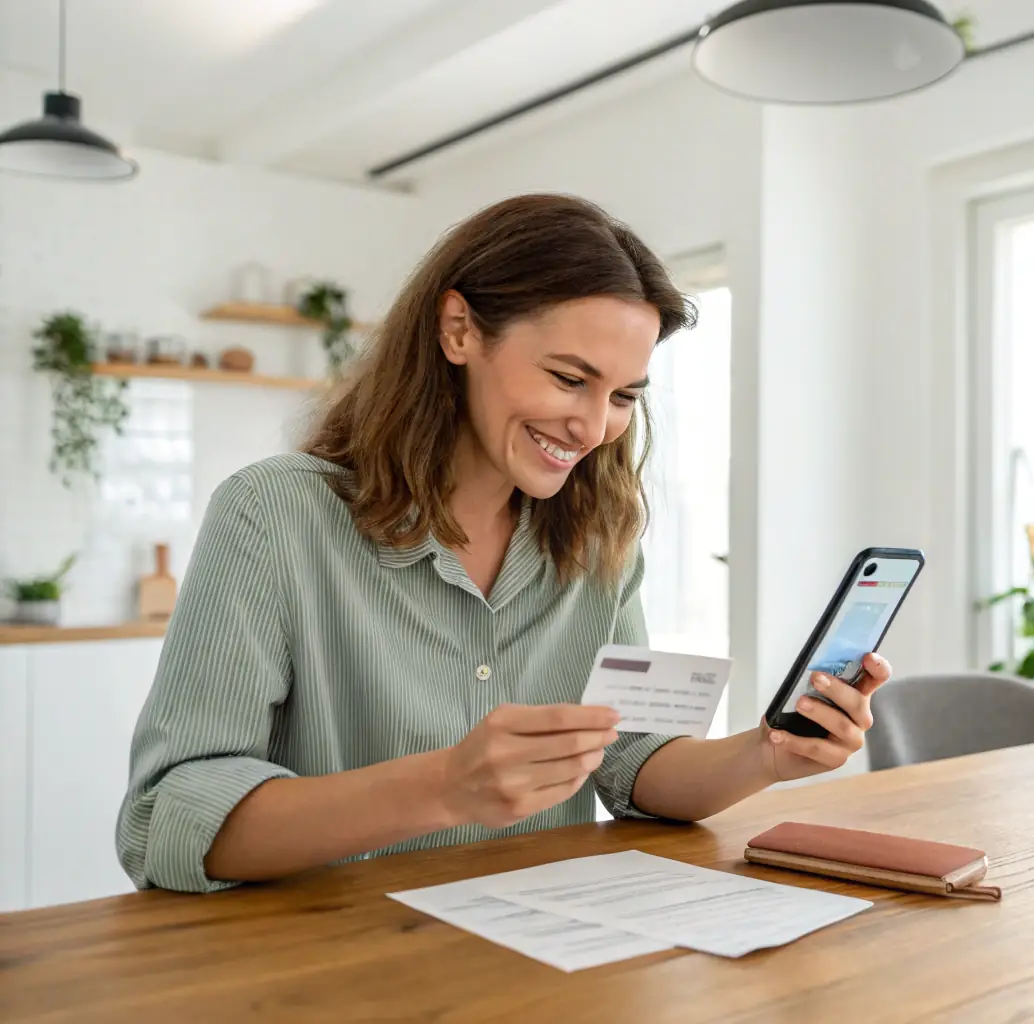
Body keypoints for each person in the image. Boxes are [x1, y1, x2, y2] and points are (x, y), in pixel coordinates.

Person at [115, 194, 893, 893]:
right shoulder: (274, 515)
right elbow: (165, 819)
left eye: (621, 395)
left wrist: (765, 754)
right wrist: (445, 786)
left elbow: (626, 759)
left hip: (543, 964)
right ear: (459, 330)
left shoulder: (599, 540)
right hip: (330, 971)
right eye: (567, 378)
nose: (592, 428)